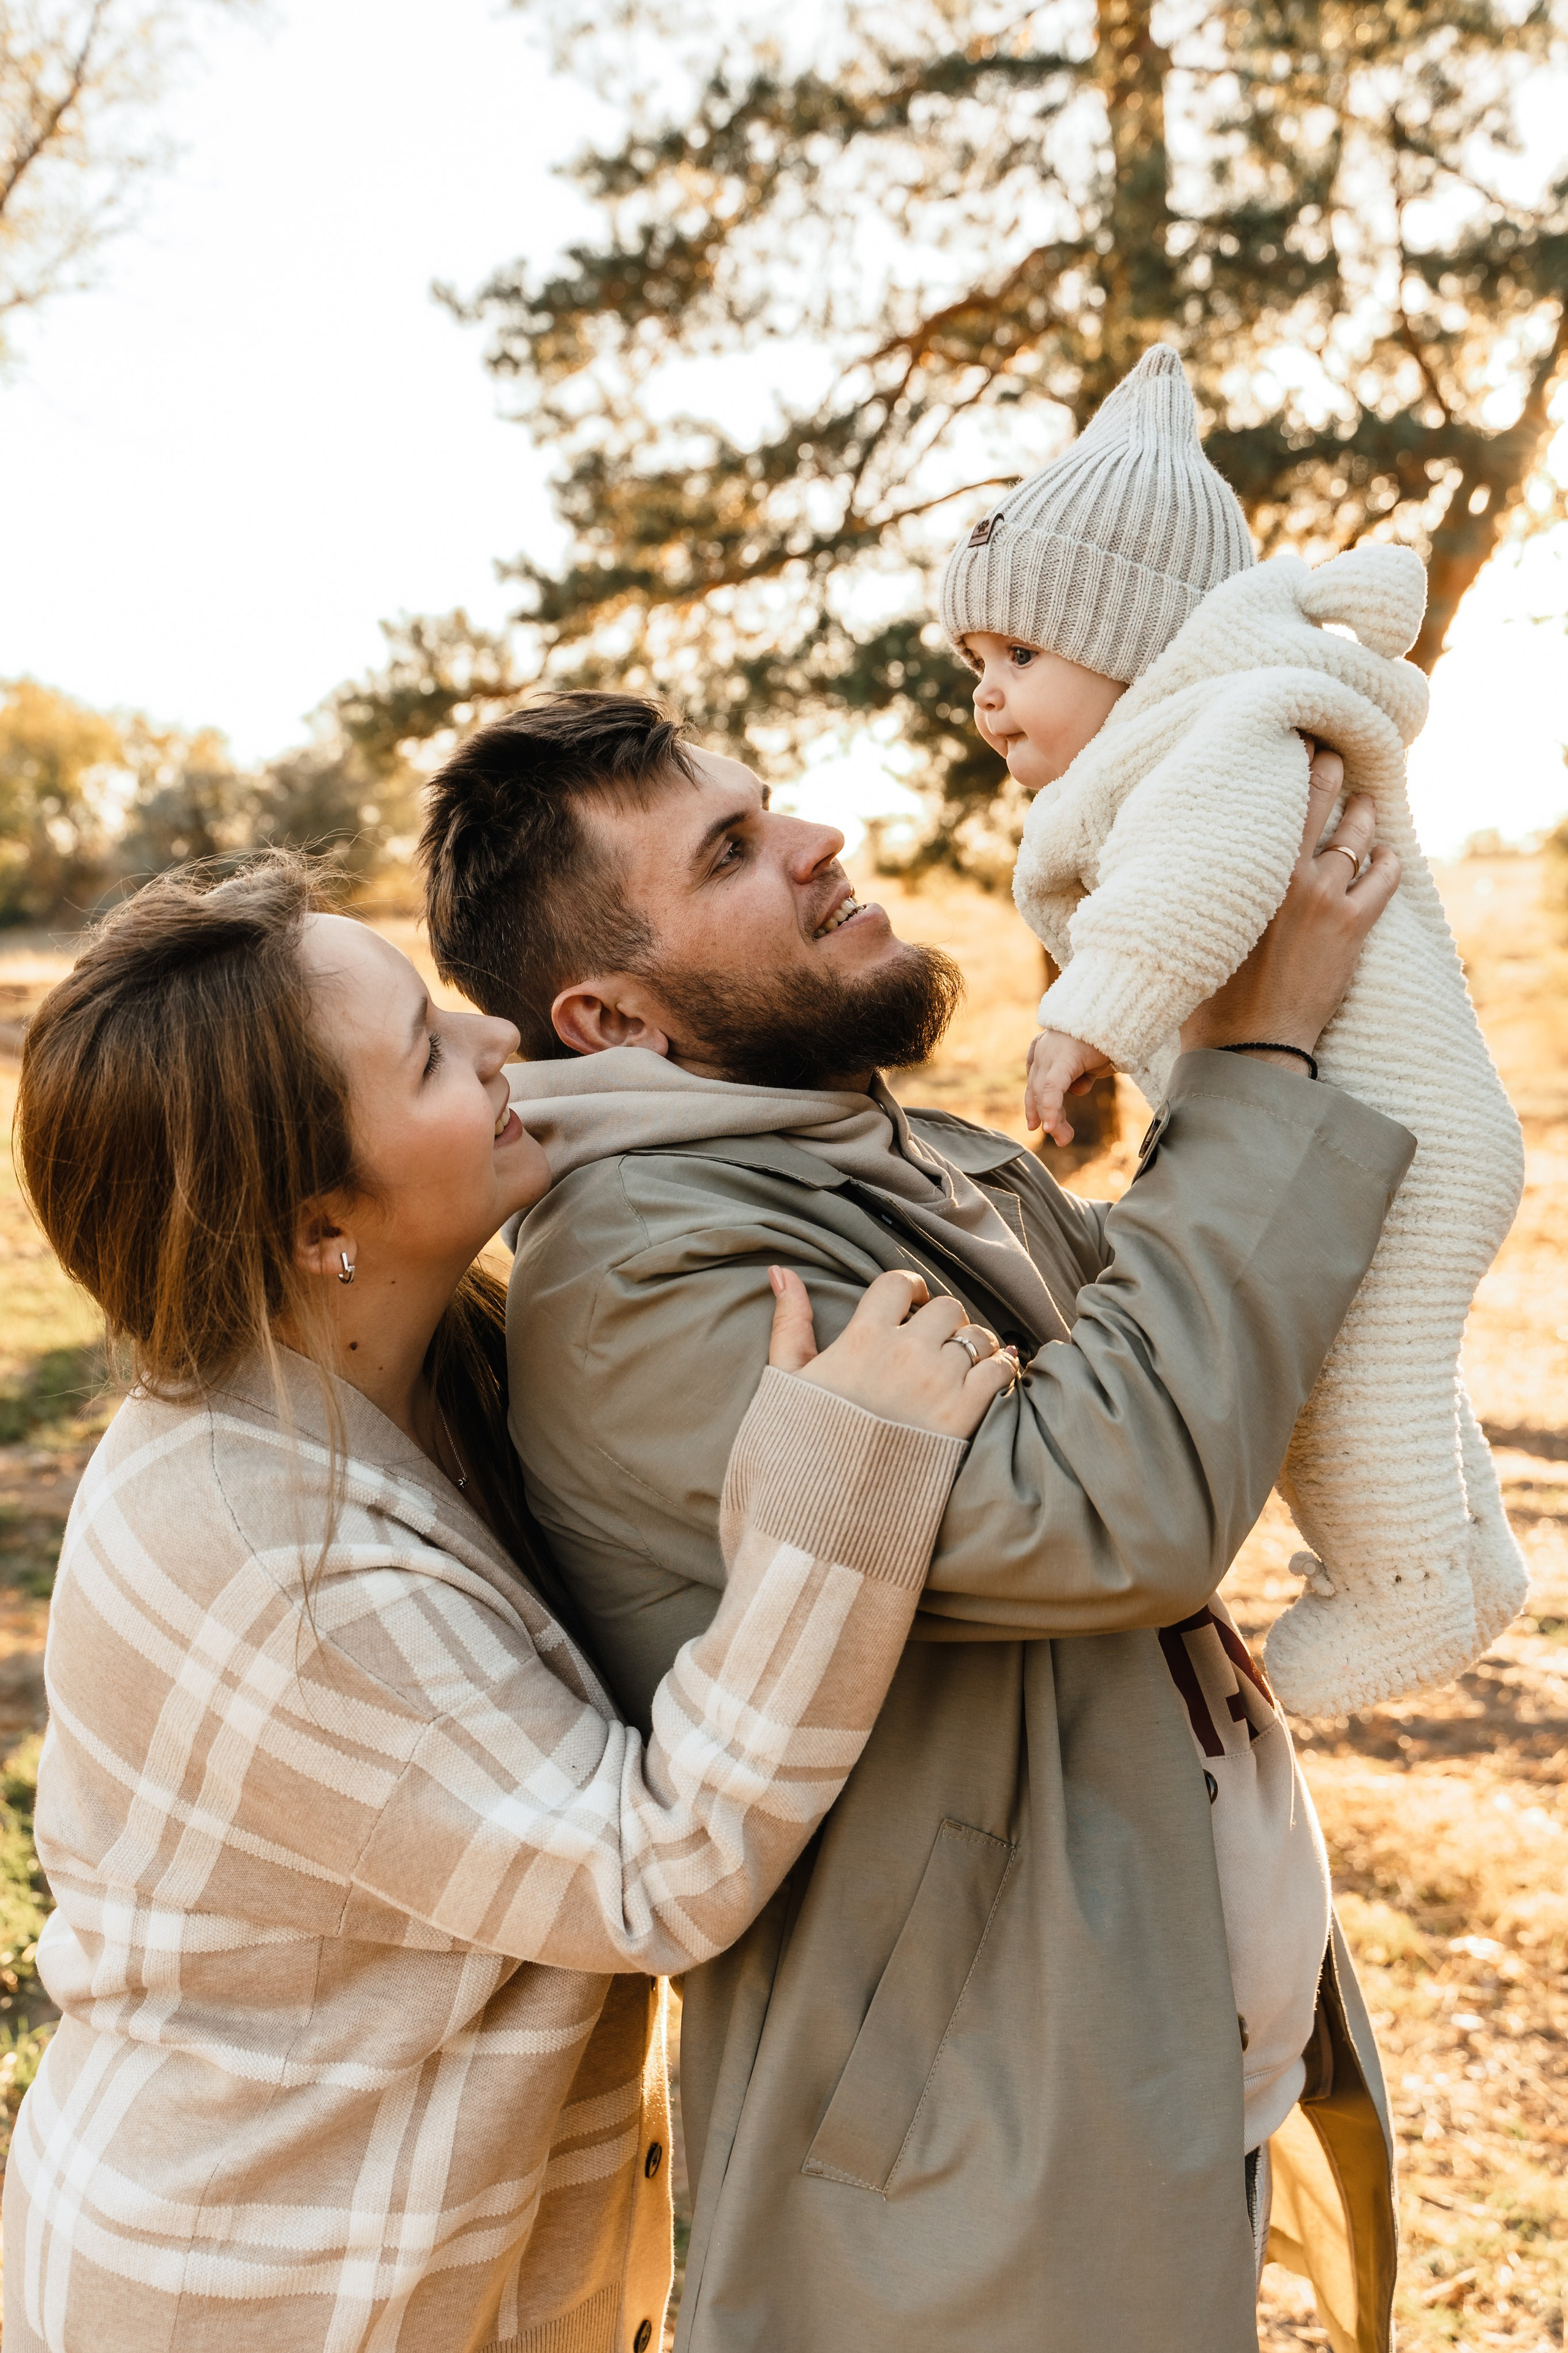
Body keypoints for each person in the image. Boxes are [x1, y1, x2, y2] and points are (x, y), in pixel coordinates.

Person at [419, 689, 1415, 2353]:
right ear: (610, 1014)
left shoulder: (887, 1148)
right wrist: (1256, 1056)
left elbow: (1207, 1372)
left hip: (1135, 2072)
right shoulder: (640, 1278)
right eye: (732, 851)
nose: (818, 842)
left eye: (770, 805)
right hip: (957, 2168)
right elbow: (1113, 1505)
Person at [3, 852, 1014, 2353]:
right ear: (308, 1225)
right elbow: (648, 1870)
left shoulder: (424, 1368)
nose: (495, 1041)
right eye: (424, 1048)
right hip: (266, 2294)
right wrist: (844, 1475)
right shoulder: (265, 1552)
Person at [941, 341, 1526, 1717]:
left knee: (1335, 1381)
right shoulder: (1190, 728)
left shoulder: (1226, 725)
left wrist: (1087, 1012)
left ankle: (1396, 1595)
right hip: (1372, 1129)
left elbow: (1198, 878)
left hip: (1391, 1131)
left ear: (1138, 641)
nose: (985, 693)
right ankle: (1471, 1556)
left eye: (1019, 653)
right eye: (974, 659)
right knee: (1377, 1355)